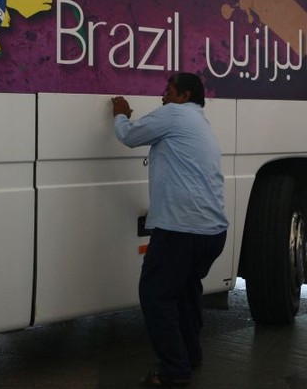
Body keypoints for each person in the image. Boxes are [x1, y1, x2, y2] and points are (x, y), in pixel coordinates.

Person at [112, 73, 228, 387]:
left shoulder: (174, 114)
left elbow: (130, 136)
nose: (162, 96)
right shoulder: (200, 122)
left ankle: (174, 370)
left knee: (155, 296)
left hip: (181, 229)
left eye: (168, 90)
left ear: (183, 95)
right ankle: (190, 354)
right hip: (212, 231)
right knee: (186, 292)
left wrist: (120, 113)